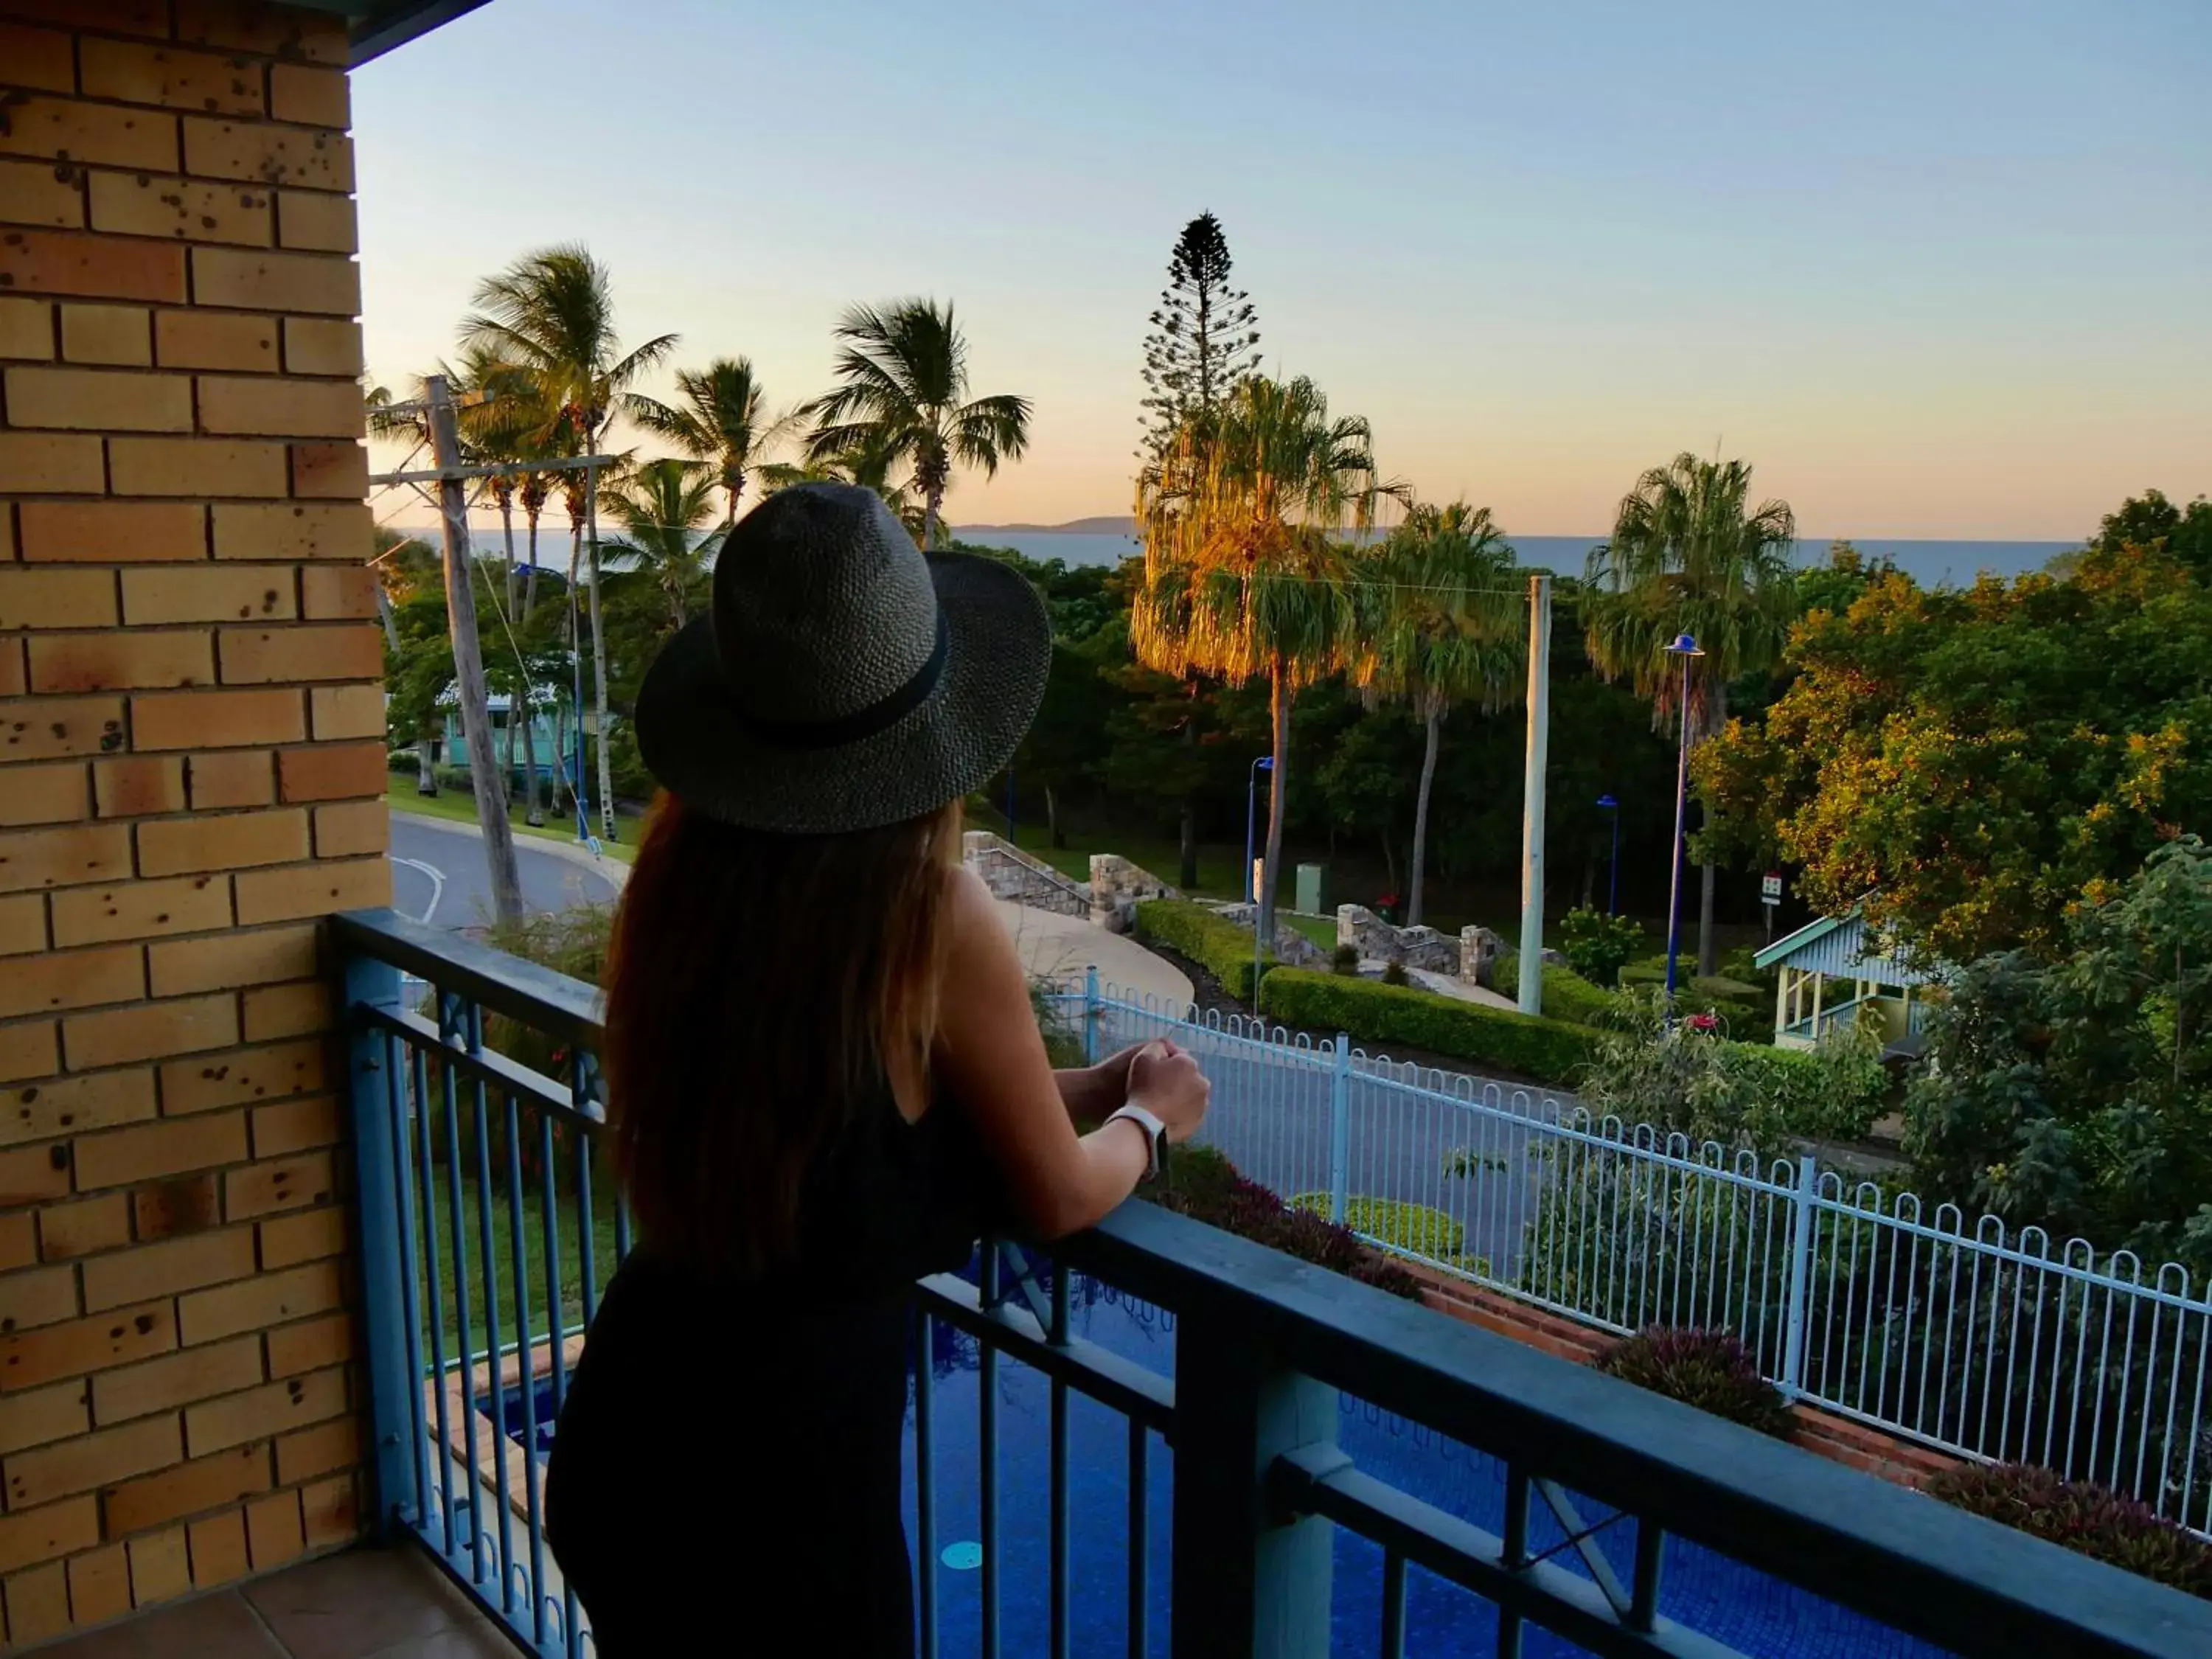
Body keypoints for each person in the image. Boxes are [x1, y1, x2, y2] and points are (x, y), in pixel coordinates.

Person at [543, 484, 1210, 1657]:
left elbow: (861, 1133)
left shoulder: (690, 879)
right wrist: (1152, 1121)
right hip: (779, 1487)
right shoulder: (925, 905)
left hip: (636, 1430)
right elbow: (1059, 1195)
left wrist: (1095, 1086)